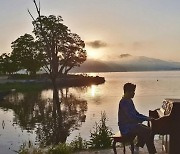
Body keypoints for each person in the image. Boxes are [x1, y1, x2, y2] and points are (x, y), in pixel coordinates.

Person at [118, 83, 156, 154]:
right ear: (127, 92)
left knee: (149, 130)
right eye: (133, 91)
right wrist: (146, 119)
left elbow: (136, 114)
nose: (134, 93)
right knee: (147, 131)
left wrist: (146, 117)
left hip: (131, 125)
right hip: (125, 128)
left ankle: (138, 146)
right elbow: (132, 117)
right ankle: (151, 152)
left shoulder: (129, 100)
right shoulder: (123, 102)